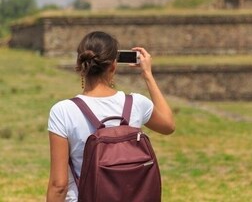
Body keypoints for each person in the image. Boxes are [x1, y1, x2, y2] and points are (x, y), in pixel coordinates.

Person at [46, 31, 175, 202]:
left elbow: (59, 185)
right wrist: (148, 76)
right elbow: (168, 125)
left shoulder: (63, 111)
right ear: (113, 66)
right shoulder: (136, 103)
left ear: (80, 65)